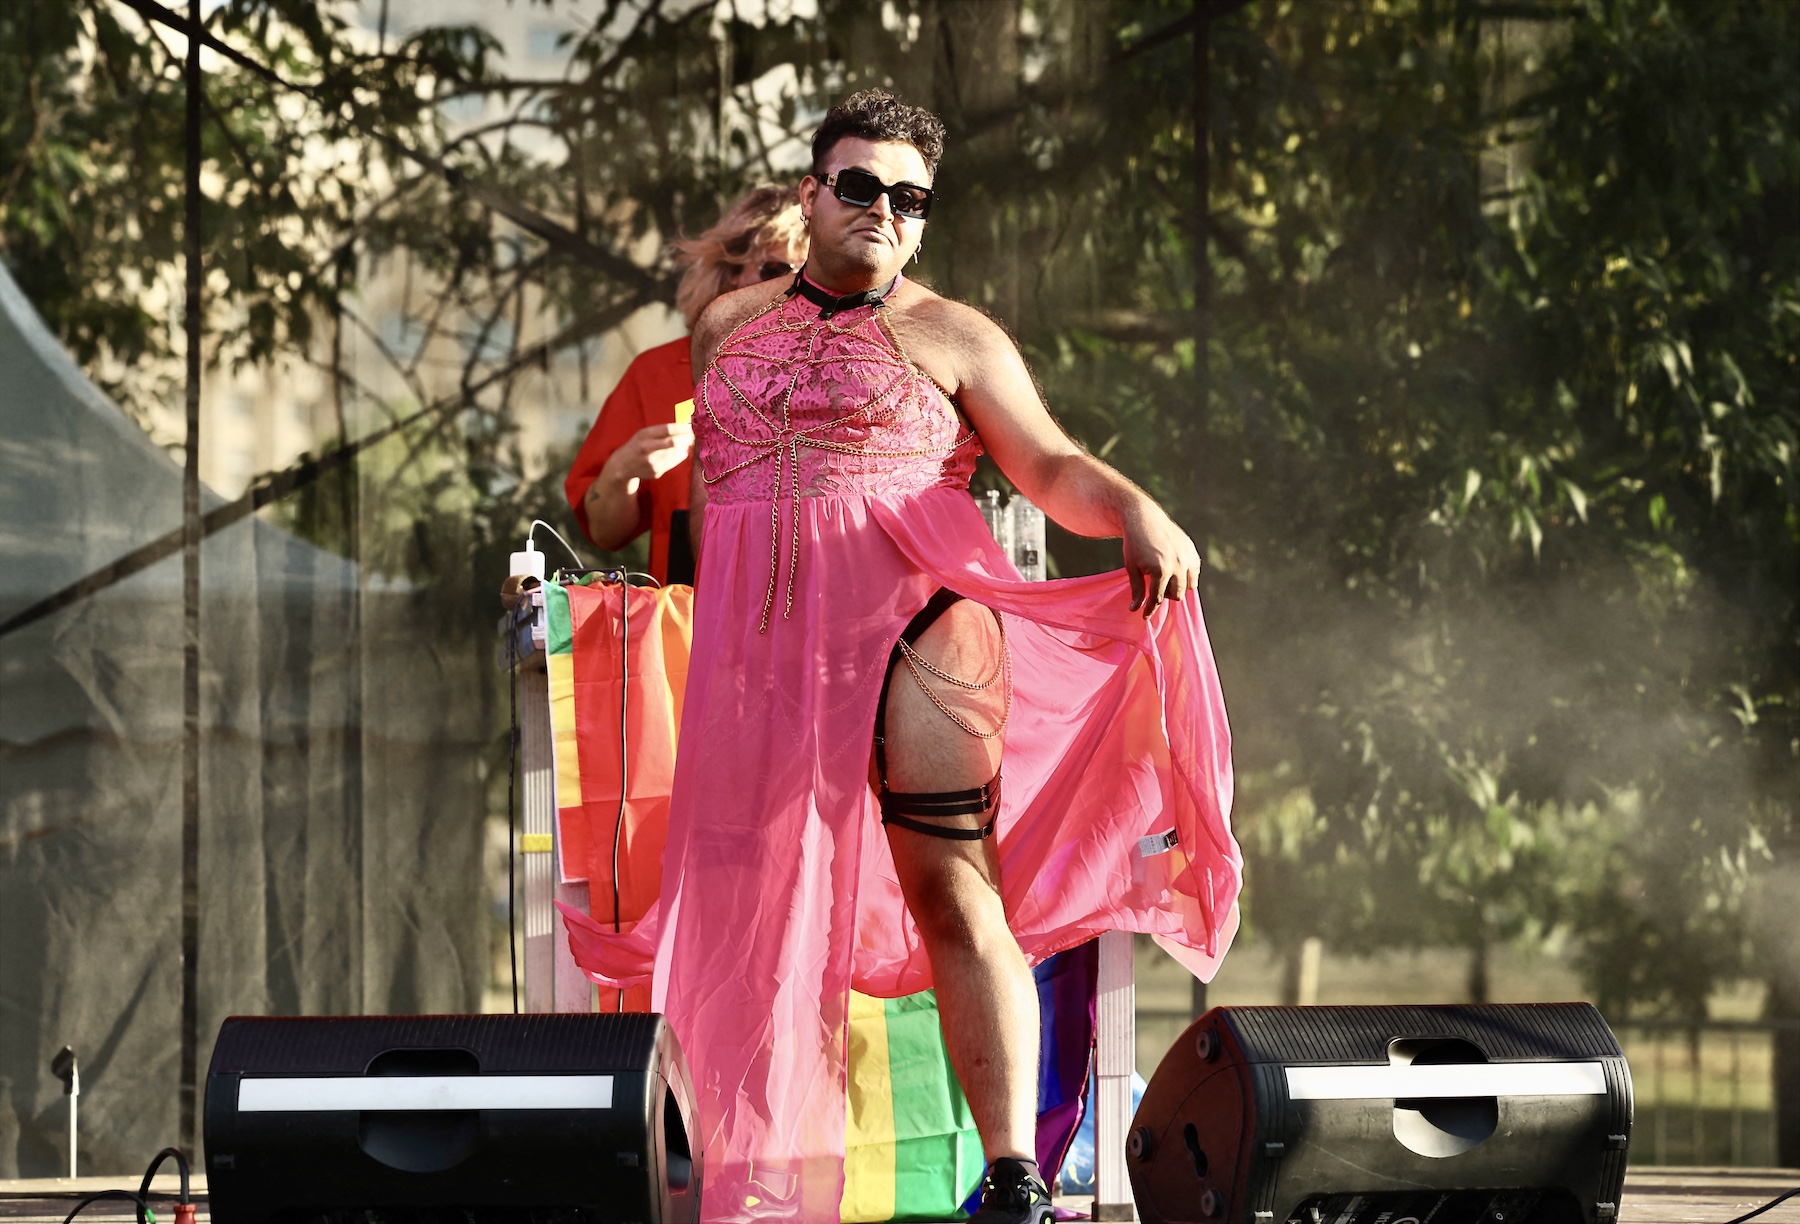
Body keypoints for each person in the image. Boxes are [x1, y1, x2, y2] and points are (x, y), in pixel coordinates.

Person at [560, 91, 1241, 1224]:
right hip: (761, 662)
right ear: (814, 191)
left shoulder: (957, 335)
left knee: (952, 886)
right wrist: (626, 481)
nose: (884, 210)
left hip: (918, 626)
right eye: (861, 186)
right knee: (748, 904)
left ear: (924, 219)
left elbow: (1051, 464)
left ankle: (1016, 1176)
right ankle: (735, 1178)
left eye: (909, 198)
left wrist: (1134, 509)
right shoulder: (725, 329)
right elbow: (615, 527)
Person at [563, 186, 807, 583]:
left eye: (809, 273)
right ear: (731, 274)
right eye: (775, 270)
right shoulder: (658, 372)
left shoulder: (845, 375)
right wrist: (621, 471)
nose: (793, 287)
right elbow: (605, 532)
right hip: (688, 629)